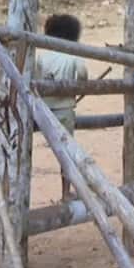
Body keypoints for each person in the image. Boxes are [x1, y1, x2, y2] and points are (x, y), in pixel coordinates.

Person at [36, 14, 88, 200]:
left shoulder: (42, 56)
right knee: (66, 152)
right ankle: (66, 193)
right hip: (65, 110)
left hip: (41, 109)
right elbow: (82, 75)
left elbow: (35, 78)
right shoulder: (72, 56)